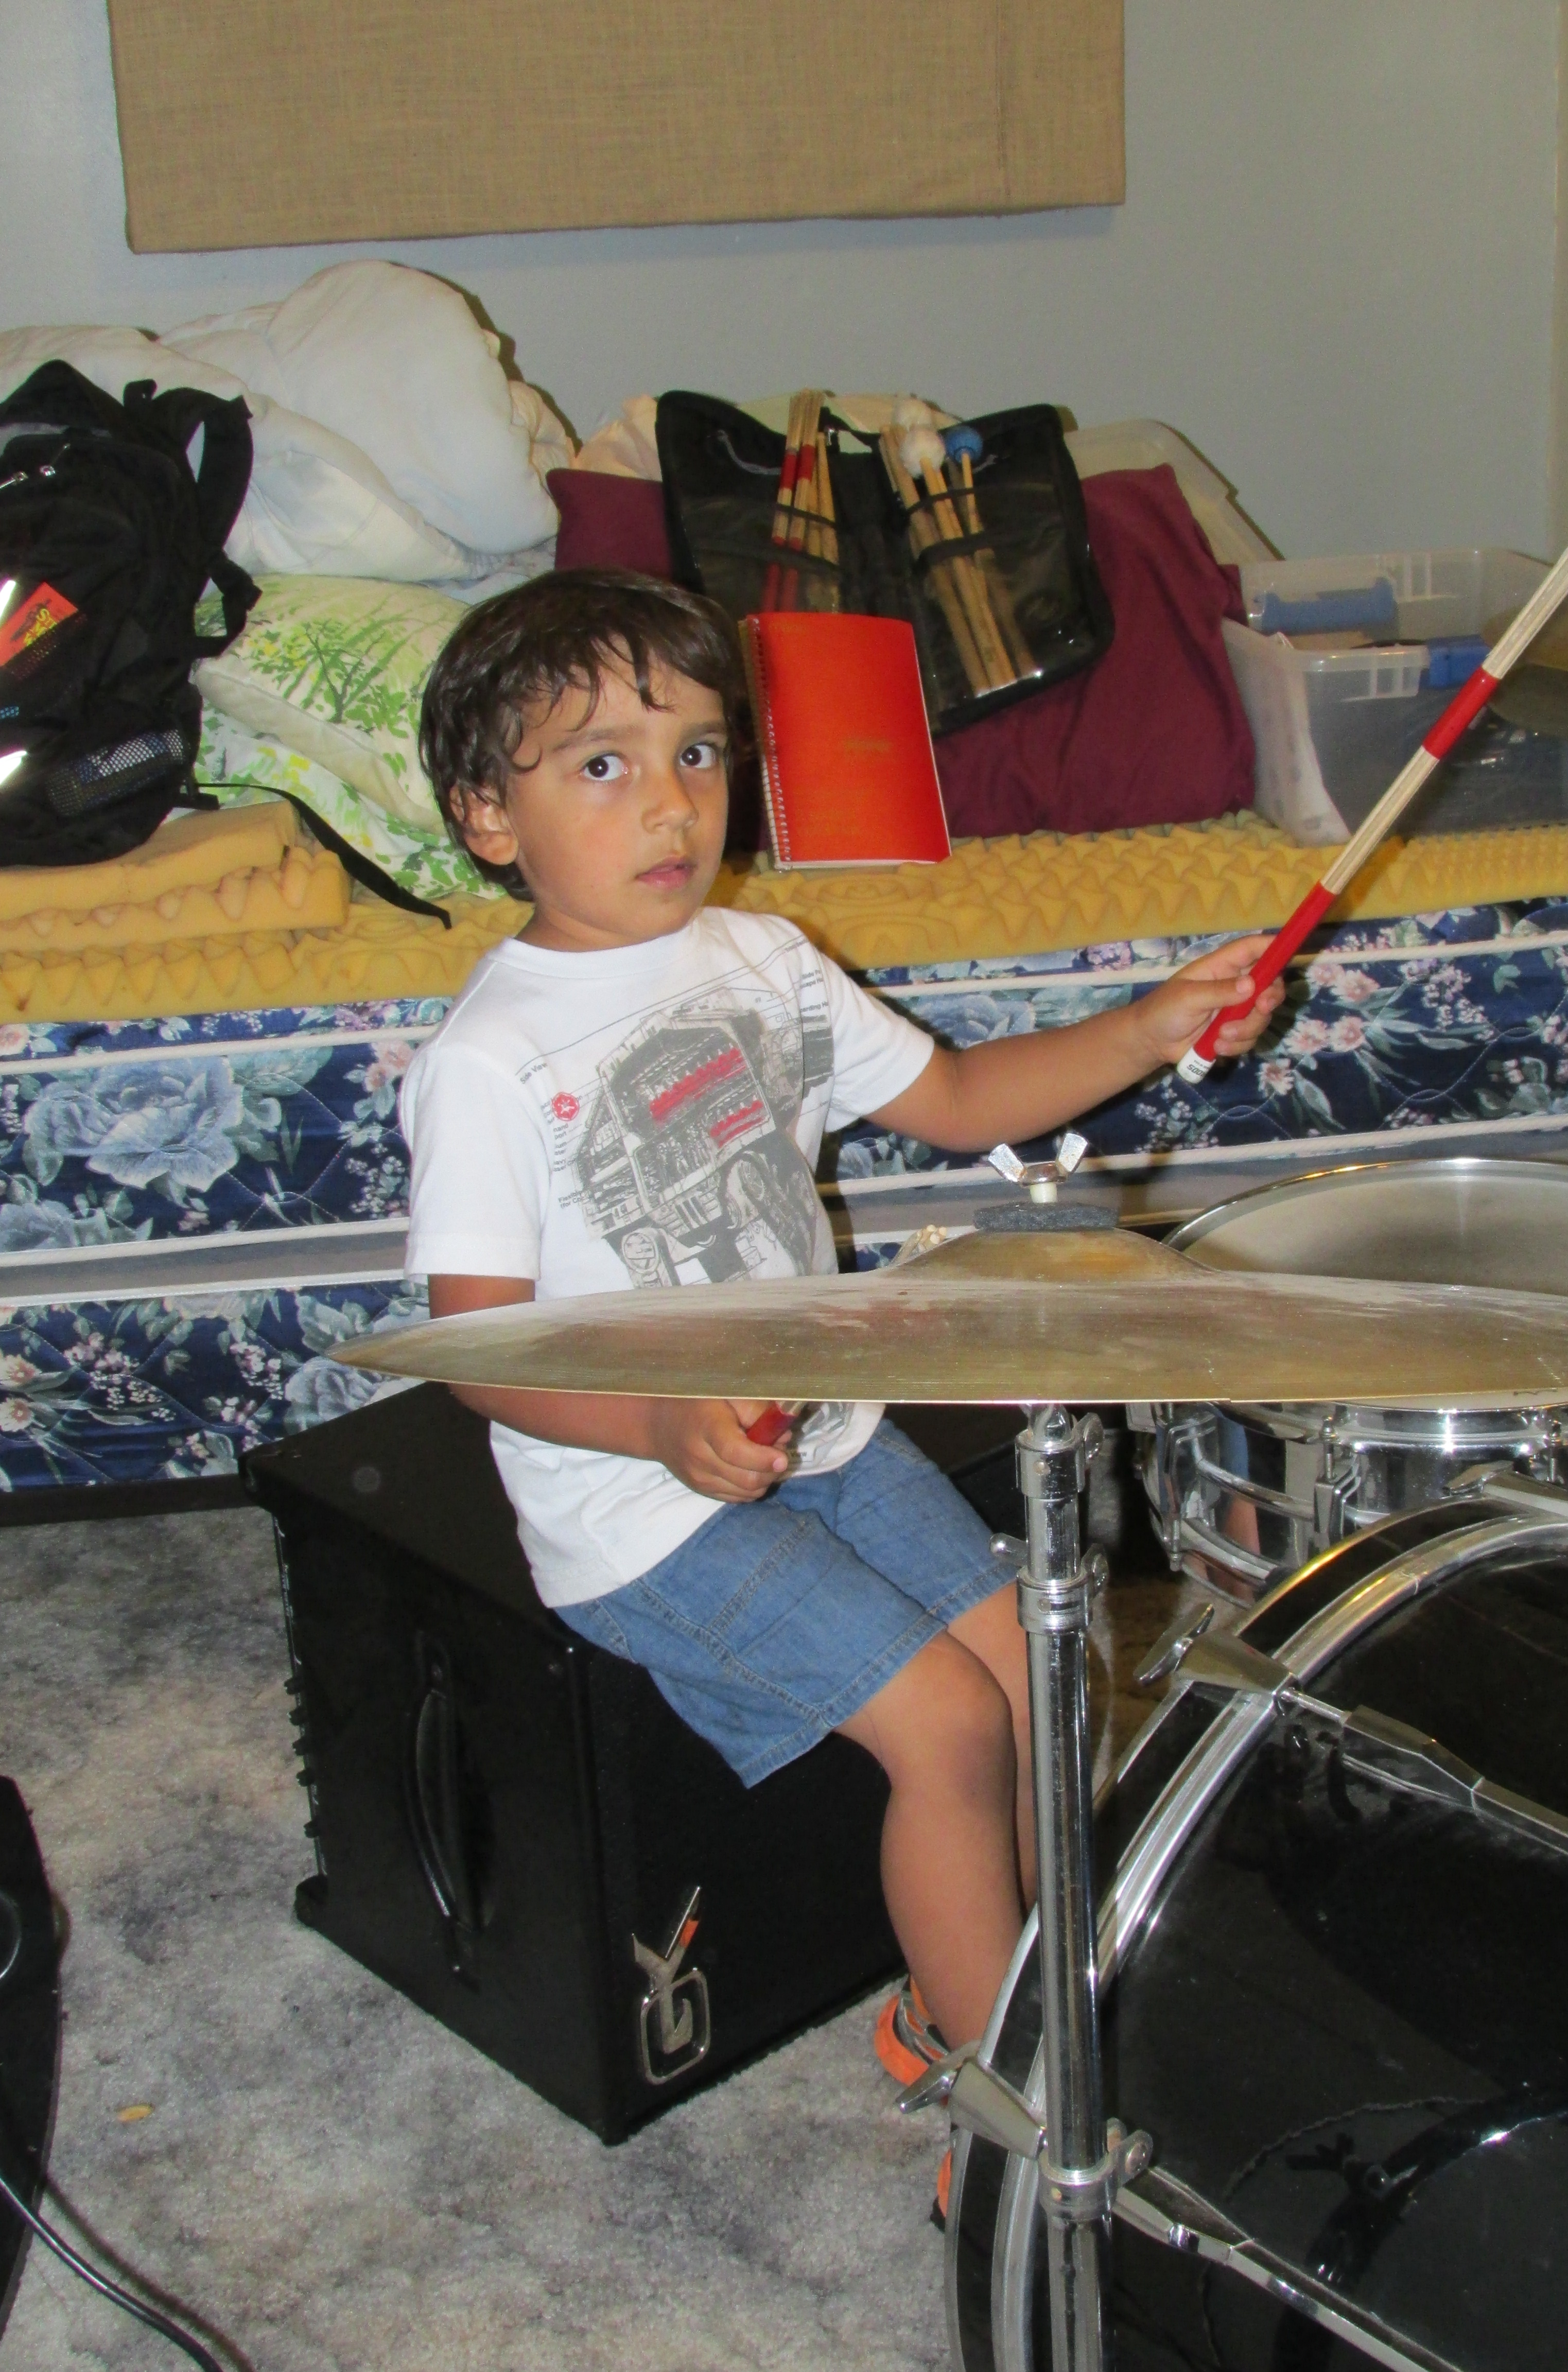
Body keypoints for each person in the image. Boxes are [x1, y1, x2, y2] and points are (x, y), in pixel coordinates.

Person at [399, 569, 1282, 2092]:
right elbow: (475, 1350)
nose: (670, 803)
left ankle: (1015, 1992)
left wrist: (1152, 1025)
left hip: (826, 1429)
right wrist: (656, 1422)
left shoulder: (768, 962)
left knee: (1045, 1678)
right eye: (601, 764)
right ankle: (1002, 2095)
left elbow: (961, 1100)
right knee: (946, 1725)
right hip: (635, 1508)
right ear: (489, 815)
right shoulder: (489, 1059)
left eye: (698, 751)